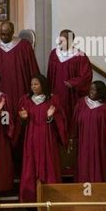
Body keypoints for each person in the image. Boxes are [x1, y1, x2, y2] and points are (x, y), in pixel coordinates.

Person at [18, 74, 68, 202]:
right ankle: (29, 200)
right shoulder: (26, 100)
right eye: (32, 84)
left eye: (36, 84)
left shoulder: (53, 100)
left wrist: (51, 116)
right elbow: (20, 123)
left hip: (47, 138)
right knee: (30, 167)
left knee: (49, 165)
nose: (33, 87)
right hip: (31, 138)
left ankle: (52, 199)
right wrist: (23, 119)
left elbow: (61, 120)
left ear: (43, 85)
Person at [69, 81, 106, 183]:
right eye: (90, 89)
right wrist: (72, 136)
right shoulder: (82, 103)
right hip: (84, 142)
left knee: (101, 165)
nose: (91, 92)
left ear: (101, 92)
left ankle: (101, 189)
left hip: (101, 144)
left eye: (94, 90)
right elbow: (75, 121)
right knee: (84, 163)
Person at [0, 21, 40, 123]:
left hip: (19, 87)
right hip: (0, 88)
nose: (3, 37)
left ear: (13, 32)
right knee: (3, 113)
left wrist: (36, 88)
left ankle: (19, 136)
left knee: (19, 112)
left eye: (6, 34)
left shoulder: (24, 46)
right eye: (1, 34)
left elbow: (32, 68)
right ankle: (5, 135)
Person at [47, 30, 93, 123]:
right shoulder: (54, 54)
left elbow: (86, 76)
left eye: (65, 39)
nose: (61, 41)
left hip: (72, 94)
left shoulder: (80, 56)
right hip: (56, 92)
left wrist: (73, 82)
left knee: (71, 116)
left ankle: (72, 136)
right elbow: (50, 74)